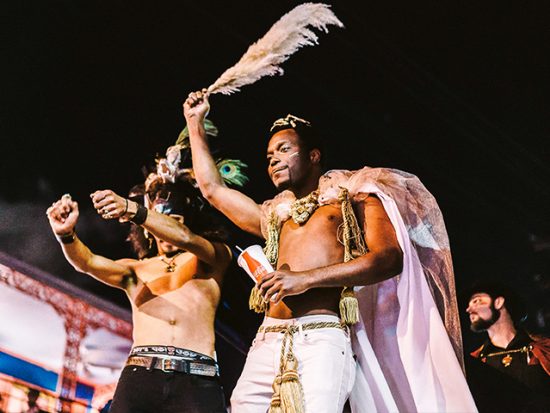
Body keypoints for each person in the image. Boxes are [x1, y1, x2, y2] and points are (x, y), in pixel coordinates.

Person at [179, 89, 477, 412]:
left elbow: (389, 258)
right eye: (269, 157)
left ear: (313, 156)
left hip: (322, 340)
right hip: (267, 338)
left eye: (284, 150)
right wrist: (195, 122)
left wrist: (305, 279)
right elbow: (212, 189)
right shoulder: (275, 216)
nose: (274, 160)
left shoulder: (354, 197)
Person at [46, 159, 232, 412]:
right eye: (159, 222)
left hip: (197, 379)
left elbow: (185, 237)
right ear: (147, 231)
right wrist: (66, 235)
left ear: (186, 222)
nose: (166, 232)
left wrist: (134, 210)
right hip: (141, 375)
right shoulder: (135, 270)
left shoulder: (212, 258)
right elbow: (87, 262)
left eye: (174, 220)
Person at [466, 280, 550, 411]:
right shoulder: (475, 361)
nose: (469, 309)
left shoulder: (544, 349)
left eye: (477, 301)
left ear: (498, 302)